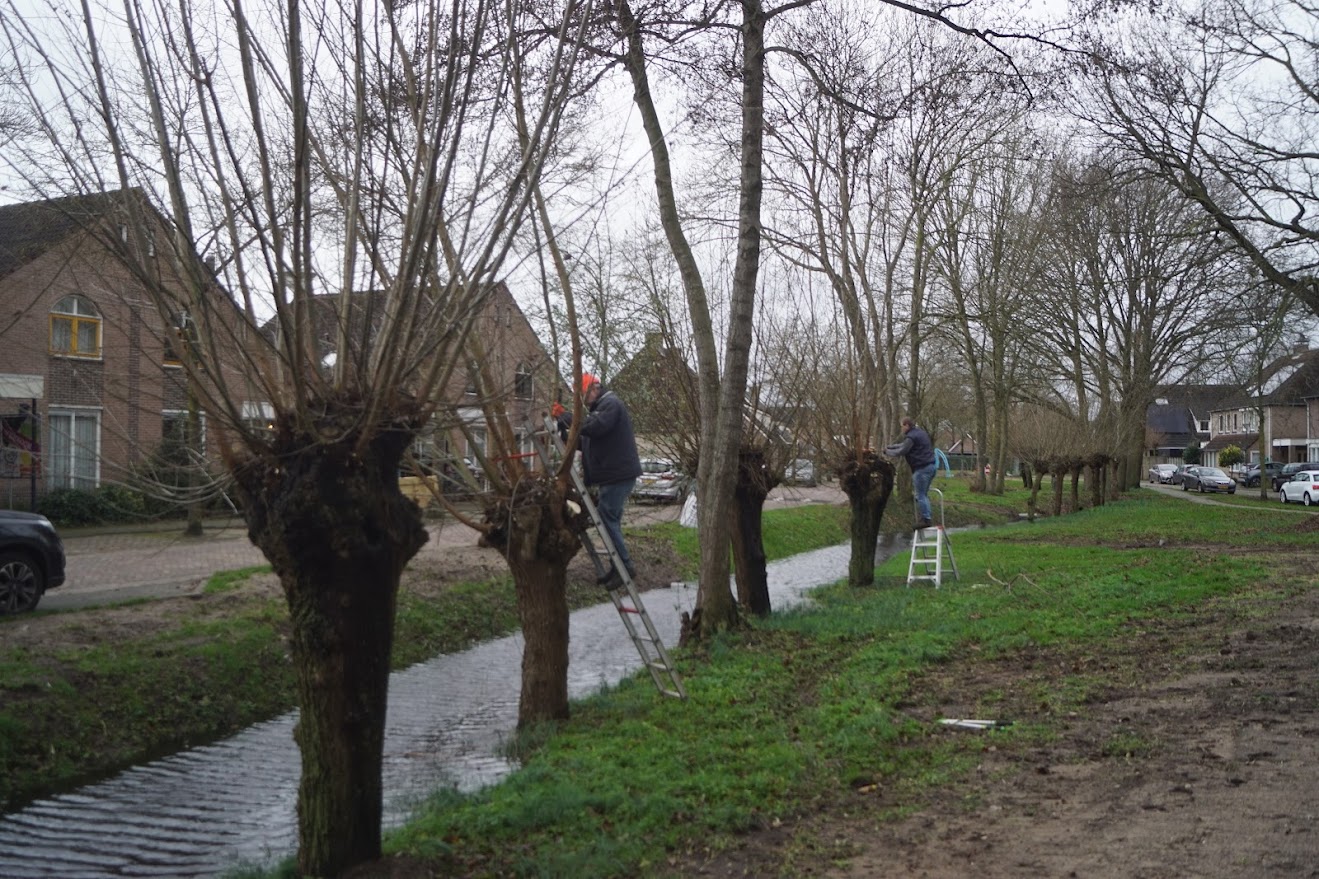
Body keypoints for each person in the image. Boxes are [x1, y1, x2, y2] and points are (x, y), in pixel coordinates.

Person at [551, 374, 642, 589]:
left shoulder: (611, 404)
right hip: (613, 475)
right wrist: (565, 434)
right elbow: (585, 441)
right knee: (611, 520)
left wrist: (566, 416)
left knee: (607, 517)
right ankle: (617, 566)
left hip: (617, 475)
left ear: (594, 388)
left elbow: (595, 426)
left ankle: (625, 566)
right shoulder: (600, 410)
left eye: (583, 394)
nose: (583, 399)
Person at [884, 416, 938, 530]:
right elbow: (903, 445)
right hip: (931, 467)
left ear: (907, 425)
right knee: (924, 494)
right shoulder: (920, 433)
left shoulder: (911, 437)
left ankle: (926, 519)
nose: (901, 429)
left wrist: (887, 452)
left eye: (902, 426)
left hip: (921, 469)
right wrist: (890, 446)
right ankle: (925, 517)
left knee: (920, 495)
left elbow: (902, 451)